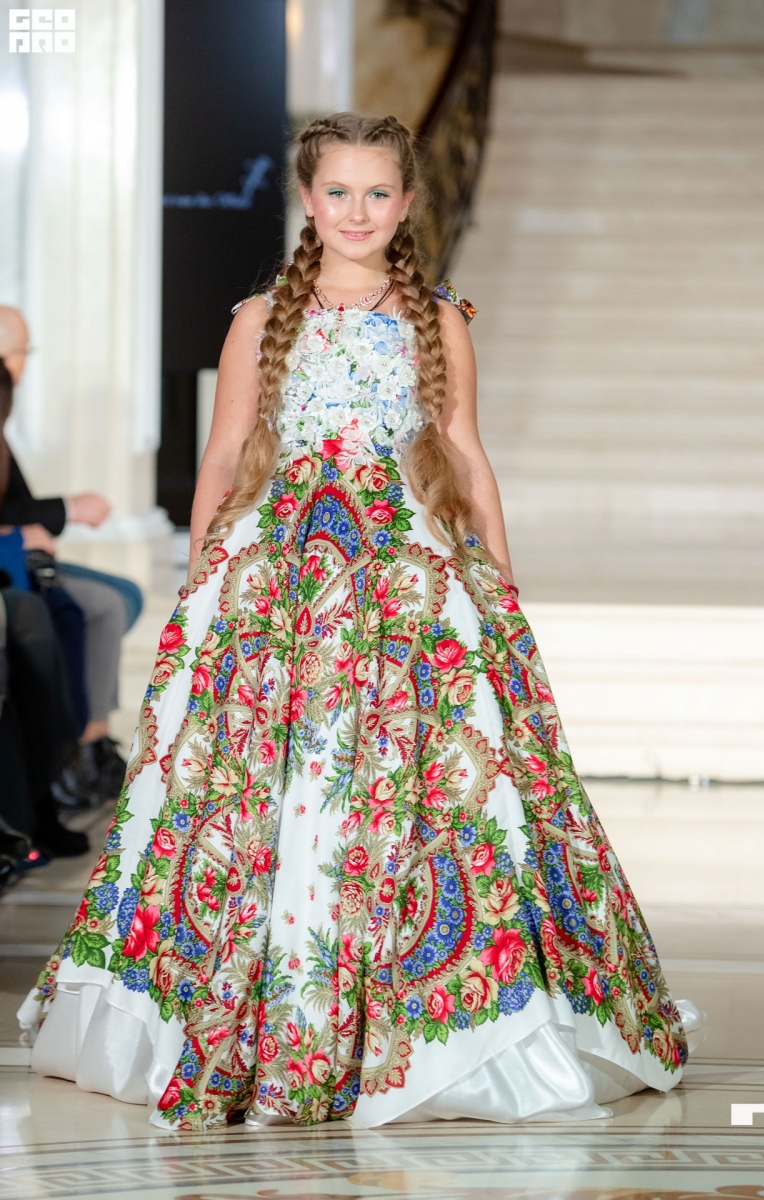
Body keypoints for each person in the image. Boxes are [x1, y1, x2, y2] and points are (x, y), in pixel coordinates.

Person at [18, 113, 701, 1130]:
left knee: (425, 776)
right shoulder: (261, 319)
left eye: (377, 193)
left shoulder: (438, 317)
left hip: (407, 573)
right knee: (256, 778)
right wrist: (203, 578)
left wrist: (498, 581)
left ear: (407, 203)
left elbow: (462, 450)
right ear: (307, 201)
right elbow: (224, 454)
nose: (357, 211)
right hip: (278, 573)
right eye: (337, 192)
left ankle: (427, 1011)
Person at [0, 308, 144, 801]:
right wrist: (53, 516)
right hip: (11, 557)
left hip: (17, 549)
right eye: (22, 353)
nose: (24, 363)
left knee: (125, 595)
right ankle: (81, 748)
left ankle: (90, 740)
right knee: (103, 606)